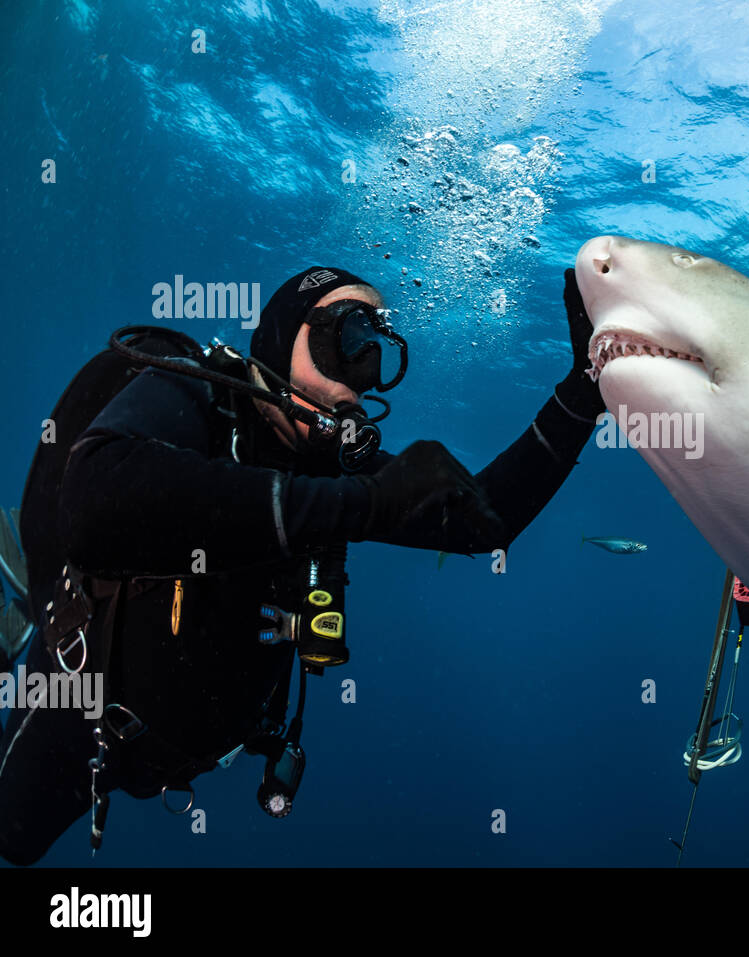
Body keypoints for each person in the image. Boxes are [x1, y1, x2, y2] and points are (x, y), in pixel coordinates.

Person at [0, 265, 602, 865]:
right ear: (284, 335)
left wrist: (583, 390)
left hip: (181, 756)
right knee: (13, 839)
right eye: (344, 340)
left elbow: (482, 522)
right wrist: (365, 503)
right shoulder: (194, 394)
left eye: (373, 355)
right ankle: (26, 616)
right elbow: (91, 499)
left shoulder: (330, 473)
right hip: (81, 711)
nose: (358, 380)